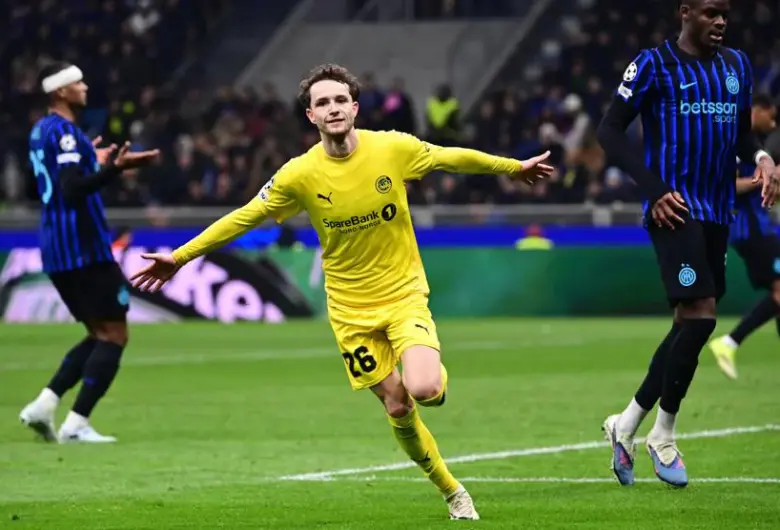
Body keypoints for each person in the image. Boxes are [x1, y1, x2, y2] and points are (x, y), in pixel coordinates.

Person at [130, 63, 553, 520]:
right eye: (321, 103)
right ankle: (453, 492)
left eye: (338, 100)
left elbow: (450, 157)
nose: (331, 109)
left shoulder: (391, 147)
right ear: (310, 116)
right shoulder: (298, 174)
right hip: (350, 312)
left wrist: (512, 168)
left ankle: (430, 375)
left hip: (402, 295)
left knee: (425, 388)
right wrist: (180, 257)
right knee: (397, 404)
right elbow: (244, 216)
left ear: (353, 108)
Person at [595, 0, 779, 488]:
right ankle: (664, 434)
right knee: (702, 316)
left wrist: (762, 158)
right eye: (711, 12)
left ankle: (625, 424)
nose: (720, 21)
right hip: (674, 209)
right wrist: (654, 190)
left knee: (688, 324)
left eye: (726, 14)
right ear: (685, 12)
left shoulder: (737, 66)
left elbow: (742, 137)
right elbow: (609, 130)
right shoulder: (653, 65)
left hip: (718, 211)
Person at [19, 62, 159, 443]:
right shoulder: (65, 134)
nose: (84, 87)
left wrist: (89, 159)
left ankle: (45, 405)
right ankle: (76, 423)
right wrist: (114, 168)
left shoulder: (41, 131)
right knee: (115, 334)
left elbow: (38, 187)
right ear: (60, 91)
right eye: (76, 82)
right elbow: (71, 189)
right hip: (83, 248)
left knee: (99, 332)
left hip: (58, 248)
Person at [709, 95, 779, 378]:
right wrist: (764, 178)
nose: (772, 124)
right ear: (757, 110)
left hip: (760, 228)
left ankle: (730, 343)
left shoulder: (755, 145)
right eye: (770, 117)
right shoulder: (735, 143)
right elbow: (726, 186)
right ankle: (729, 342)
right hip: (749, 230)